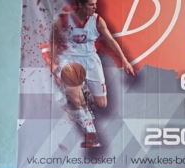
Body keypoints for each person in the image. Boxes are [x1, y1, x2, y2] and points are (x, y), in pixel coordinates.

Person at [52, 0, 136, 148]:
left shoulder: (98, 21)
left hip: (91, 60)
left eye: (95, 4)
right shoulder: (63, 20)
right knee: (75, 96)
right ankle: (91, 133)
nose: (95, 7)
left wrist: (124, 60)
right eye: (91, 4)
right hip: (70, 60)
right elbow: (53, 40)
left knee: (102, 104)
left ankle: (85, 94)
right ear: (80, 5)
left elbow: (110, 40)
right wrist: (54, 62)